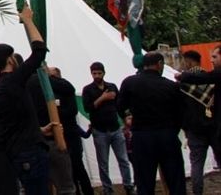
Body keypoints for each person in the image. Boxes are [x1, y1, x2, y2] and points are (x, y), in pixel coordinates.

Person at [0, 5, 49, 195]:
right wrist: (28, 20)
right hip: (30, 152)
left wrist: (37, 130)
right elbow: (39, 52)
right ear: (10, 60)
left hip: (17, 152)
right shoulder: (12, 82)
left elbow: (15, 121)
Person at [117, 51, 185, 195]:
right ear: (159, 64)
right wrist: (173, 130)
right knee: (175, 180)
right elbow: (181, 113)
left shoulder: (130, 83)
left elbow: (120, 106)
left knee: (144, 182)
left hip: (142, 136)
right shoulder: (171, 86)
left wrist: (127, 119)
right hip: (167, 135)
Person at [81, 61, 134, 195]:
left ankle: (128, 185)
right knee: (103, 162)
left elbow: (119, 105)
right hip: (100, 129)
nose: (97, 76)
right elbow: (88, 108)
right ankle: (107, 188)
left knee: (123, 159)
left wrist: (125, 119)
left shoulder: (112, 87)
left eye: (99, 73)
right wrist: (103, 98)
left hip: (115, 128)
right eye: (94, 73)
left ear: (104, 73)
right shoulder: (88, 89)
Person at [177, 45, 221, 195]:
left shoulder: (183, 84)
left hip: (194, 130)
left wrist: (185, 127)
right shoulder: (211, 79)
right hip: (215, 128)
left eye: (215, 57)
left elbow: (179, 109)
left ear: (189, 63)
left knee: (197, 165)